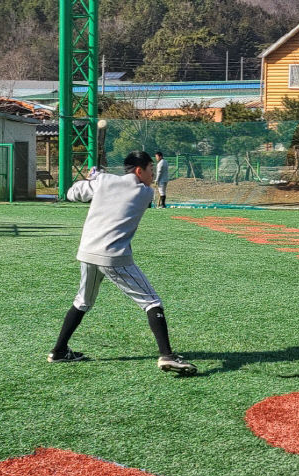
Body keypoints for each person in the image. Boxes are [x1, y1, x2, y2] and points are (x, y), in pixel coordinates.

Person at [48, 150, 197, 375]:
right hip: (113, 256)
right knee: (151, 302)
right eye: (149, 169)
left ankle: (59, 351)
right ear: (139, 170)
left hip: (87, 252)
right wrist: (100, 179)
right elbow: (121, 187)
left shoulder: (105, 182)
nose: (151, 175)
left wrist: (92, 179)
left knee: (83, 301)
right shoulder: (144, 193)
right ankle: (167, 355)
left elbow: (72, 193)